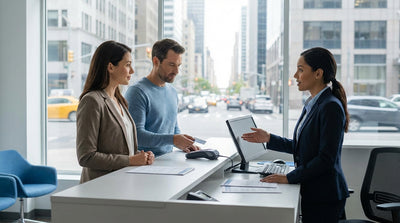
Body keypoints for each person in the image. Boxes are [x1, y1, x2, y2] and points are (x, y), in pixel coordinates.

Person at [242, 47, 349, 223]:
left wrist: (289, 177)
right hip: (314, 190)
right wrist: (269, 138)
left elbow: (326, 159)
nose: (295, 75)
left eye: (300, 70)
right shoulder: (313, 103)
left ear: (318, 73)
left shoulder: (330, 106)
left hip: (325, 195)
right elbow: (304, 147)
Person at [77, 40, 155, 183]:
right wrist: (130, 160)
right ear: (111, 67)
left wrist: (140, 156)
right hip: (100, 187)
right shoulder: (92, 101)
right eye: (127, 65)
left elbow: (122, 149)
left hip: (122, 183)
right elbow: (86, 156)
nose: (132, 71)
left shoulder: (120, 100)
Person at [125, 38, 200, 157]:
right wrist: (173, 139)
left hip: (168, 160)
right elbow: (136, 136)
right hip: (144, 164)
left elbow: (173, 129)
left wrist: (184, 143)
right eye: (171, 65)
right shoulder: (137, 92)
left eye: (178, 65)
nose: (176, 71)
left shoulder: (173, 92)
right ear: (156, 61)